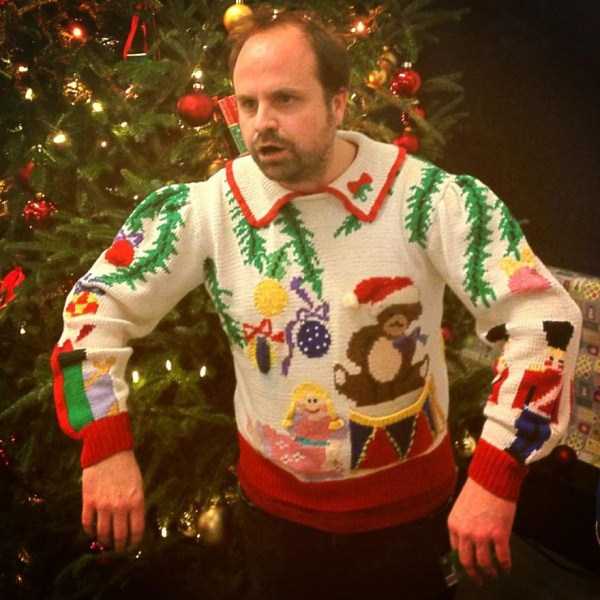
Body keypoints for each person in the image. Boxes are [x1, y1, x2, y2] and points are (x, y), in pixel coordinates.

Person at [51, 7, 582, 599]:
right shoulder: (206, 210)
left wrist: (496, 476)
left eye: (285, 99)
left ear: (338, 103)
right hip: (275, 523)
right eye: (247, 104)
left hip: (411, 523)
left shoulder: (430, 199)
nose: (262, 124)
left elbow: (545, 318)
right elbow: (94, 308)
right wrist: (104, 445)